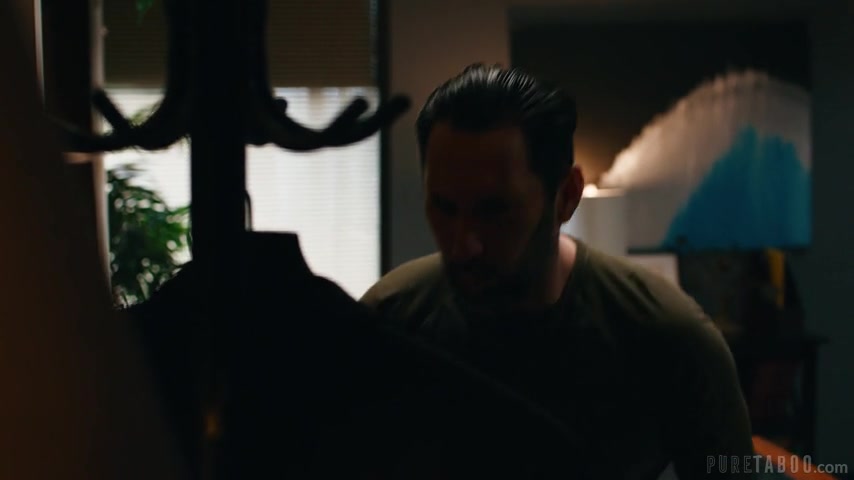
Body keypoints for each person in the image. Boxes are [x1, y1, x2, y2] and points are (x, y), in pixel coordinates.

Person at [361, 63, 756, 479]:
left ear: (566, 196)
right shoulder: (388, 323)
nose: (463, 244)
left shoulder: (667, 336)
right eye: (444, 208)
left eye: (494, 211)